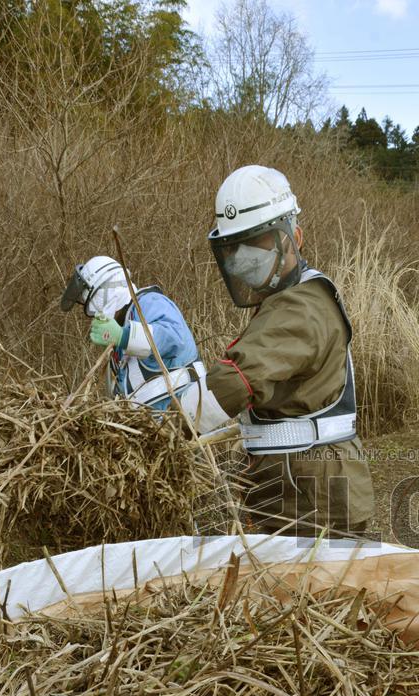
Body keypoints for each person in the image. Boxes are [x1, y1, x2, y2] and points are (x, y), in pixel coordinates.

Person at [198, 164, 375, 537]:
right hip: (298, 484)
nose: (243, 257)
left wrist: (162, 425)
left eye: (256, 243)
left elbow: (235, 380)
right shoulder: (284, 299)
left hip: (313, 493)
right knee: (291, 591)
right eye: (234, 247)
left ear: (292, 235)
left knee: (318, 592)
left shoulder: (300, 306)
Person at [60, 255, 223, 424]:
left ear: (105, 293)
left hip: (182, 417)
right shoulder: (121, 337)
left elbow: (175, 337)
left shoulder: (148, 303)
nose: (93, 315)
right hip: (155, 431)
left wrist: (123, 336)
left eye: (91, 307)